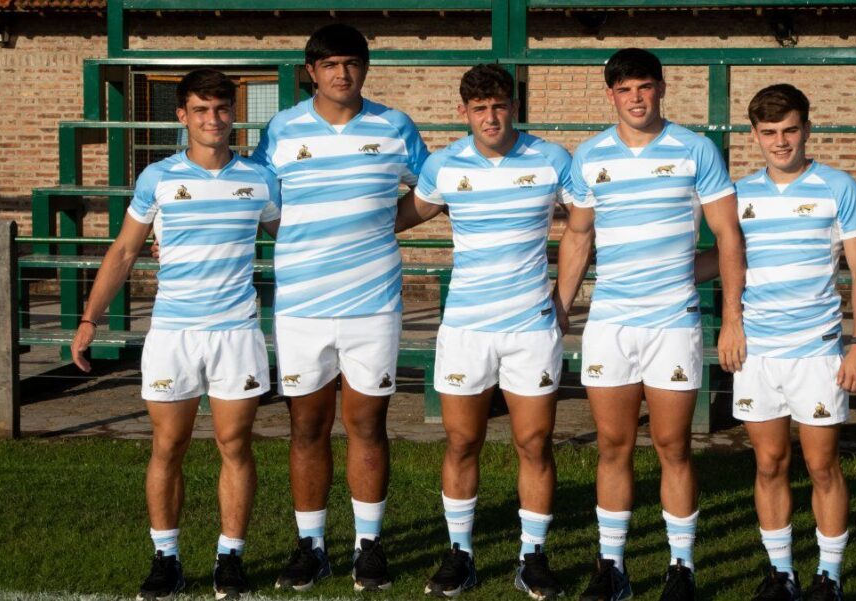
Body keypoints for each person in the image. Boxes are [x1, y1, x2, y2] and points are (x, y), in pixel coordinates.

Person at [71, 69, 280, 601]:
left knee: (235, 444)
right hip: (173, 332)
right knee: (169, 445)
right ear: (182, 115)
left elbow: (295, 238)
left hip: (236, 331)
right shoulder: (157, 178)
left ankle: (229, 557)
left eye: (223, 109)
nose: (214, 120)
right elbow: (123, 252)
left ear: (234, 114)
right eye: (202, 110)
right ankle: (166, 558)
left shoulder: (259, 179)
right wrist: (89, 320)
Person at [554, 48, 747, 601]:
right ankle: (611, 568)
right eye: (624, 89)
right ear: (610, 94)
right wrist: (559, 308)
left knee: (672, 445)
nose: (636, 98)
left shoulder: (696, 150)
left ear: (661, 89)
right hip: (611, 323)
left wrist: (730, 316)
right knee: (613, 446)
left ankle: (680, 569)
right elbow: (578, 236)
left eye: (645, 86)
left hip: (674, 322)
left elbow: (729, 237)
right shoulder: (590, 156)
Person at [250, 23, 429, 593]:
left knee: (367, 426)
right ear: (311, 71)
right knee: (306, 427)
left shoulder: (396, 126)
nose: (342, 73)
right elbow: (257, 199)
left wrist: (384, 224)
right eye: (330, 65)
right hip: (302, 306)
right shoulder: (281, 130)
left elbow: (433, 190)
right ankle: (312, 546)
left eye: (352, 63)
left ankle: (367, 547)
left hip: (373, 305)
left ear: (365, 69)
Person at [394, 63, 571, 600]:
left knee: (534, 443)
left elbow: (590, 221)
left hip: (531, 327)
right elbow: (397, 217)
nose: (490, 117)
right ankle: (460, 554)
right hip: (466, 328)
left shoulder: (552, 159)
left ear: (513, 106)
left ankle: (533, 556)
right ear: (463, 112)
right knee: (461, 440)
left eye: (499, 106)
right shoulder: (445, 167)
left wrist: (562, 300)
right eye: (479, 109)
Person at [703, 83, 856, 601]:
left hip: (818, 352)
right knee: (768, 464)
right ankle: (781, 574)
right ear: (754, 135)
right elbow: (726, 260)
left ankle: (829, 576)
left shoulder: (838, 187)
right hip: (756, 352)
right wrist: (667, 275)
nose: (781, 142)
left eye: (790, 130)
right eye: (769, 132)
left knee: (822, 466)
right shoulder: (741, 194)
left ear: (807, 128)